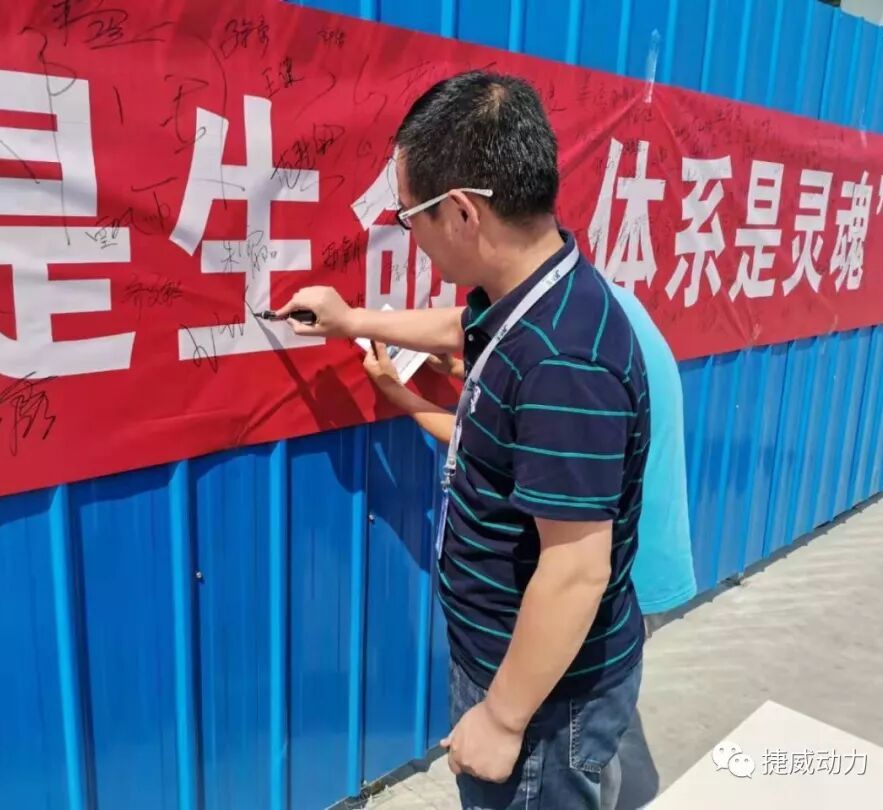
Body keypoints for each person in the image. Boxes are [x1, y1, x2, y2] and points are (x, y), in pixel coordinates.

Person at [277, 71, 649, 809]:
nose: (409, 235)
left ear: (460, 211)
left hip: (542, 702)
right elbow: (464, 330)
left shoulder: (564, 360)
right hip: (515, 665)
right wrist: (353, 320)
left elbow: (576, 569)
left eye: (408, 217)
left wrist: (504, 718)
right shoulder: (533, 294)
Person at [361, 281, 698, 625]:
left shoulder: (564, 333)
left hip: (620, 577)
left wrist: (396, 392)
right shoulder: (595, 307)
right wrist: (457, 369)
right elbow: (527, 384)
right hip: (637, 553)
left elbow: (485, 439)